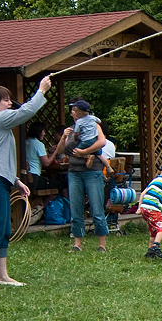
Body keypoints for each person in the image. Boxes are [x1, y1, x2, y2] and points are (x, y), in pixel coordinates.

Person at [0, 75, 52, 291]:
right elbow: (26, 112)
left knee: (5, 228)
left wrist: (16, 181)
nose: (9, 103)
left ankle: (3, 276)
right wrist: (41, 91)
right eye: (6, 99)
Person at [54, 101, 108, 253]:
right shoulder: (70, 131)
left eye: (73, 110)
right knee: (76, 207)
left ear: (79, 112)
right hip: (74, 172)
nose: (71, 112)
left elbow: (102, 142)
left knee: (96, 207)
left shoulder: (93, 124)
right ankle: (77, 244)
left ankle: (102, 245)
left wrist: (84, 152)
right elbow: (60, 151)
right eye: (71, 110)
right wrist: (63, 137)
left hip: (93, 171)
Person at [24, 122, 64, 218]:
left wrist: (49, 151)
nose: (45, 134)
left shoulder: (25, 143)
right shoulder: (38, 144)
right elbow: (46, 163)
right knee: (60, 185)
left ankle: (39, 208)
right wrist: (56, 152)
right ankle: (39, 209)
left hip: (25, 178)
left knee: (49, 181)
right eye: (43, 131)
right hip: (34, 180)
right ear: (39, 132)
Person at [68, 99, 101, 169]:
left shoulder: (79, 122)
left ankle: (87, 156)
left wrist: (75, 138)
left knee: (75, 151)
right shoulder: (92, 118)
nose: (72, 113)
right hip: (93, 139)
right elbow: (99, 121)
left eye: (74, 111)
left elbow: (76, 133)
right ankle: (108, 166)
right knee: (99, 154)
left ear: (79, 114)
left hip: (85, 141)